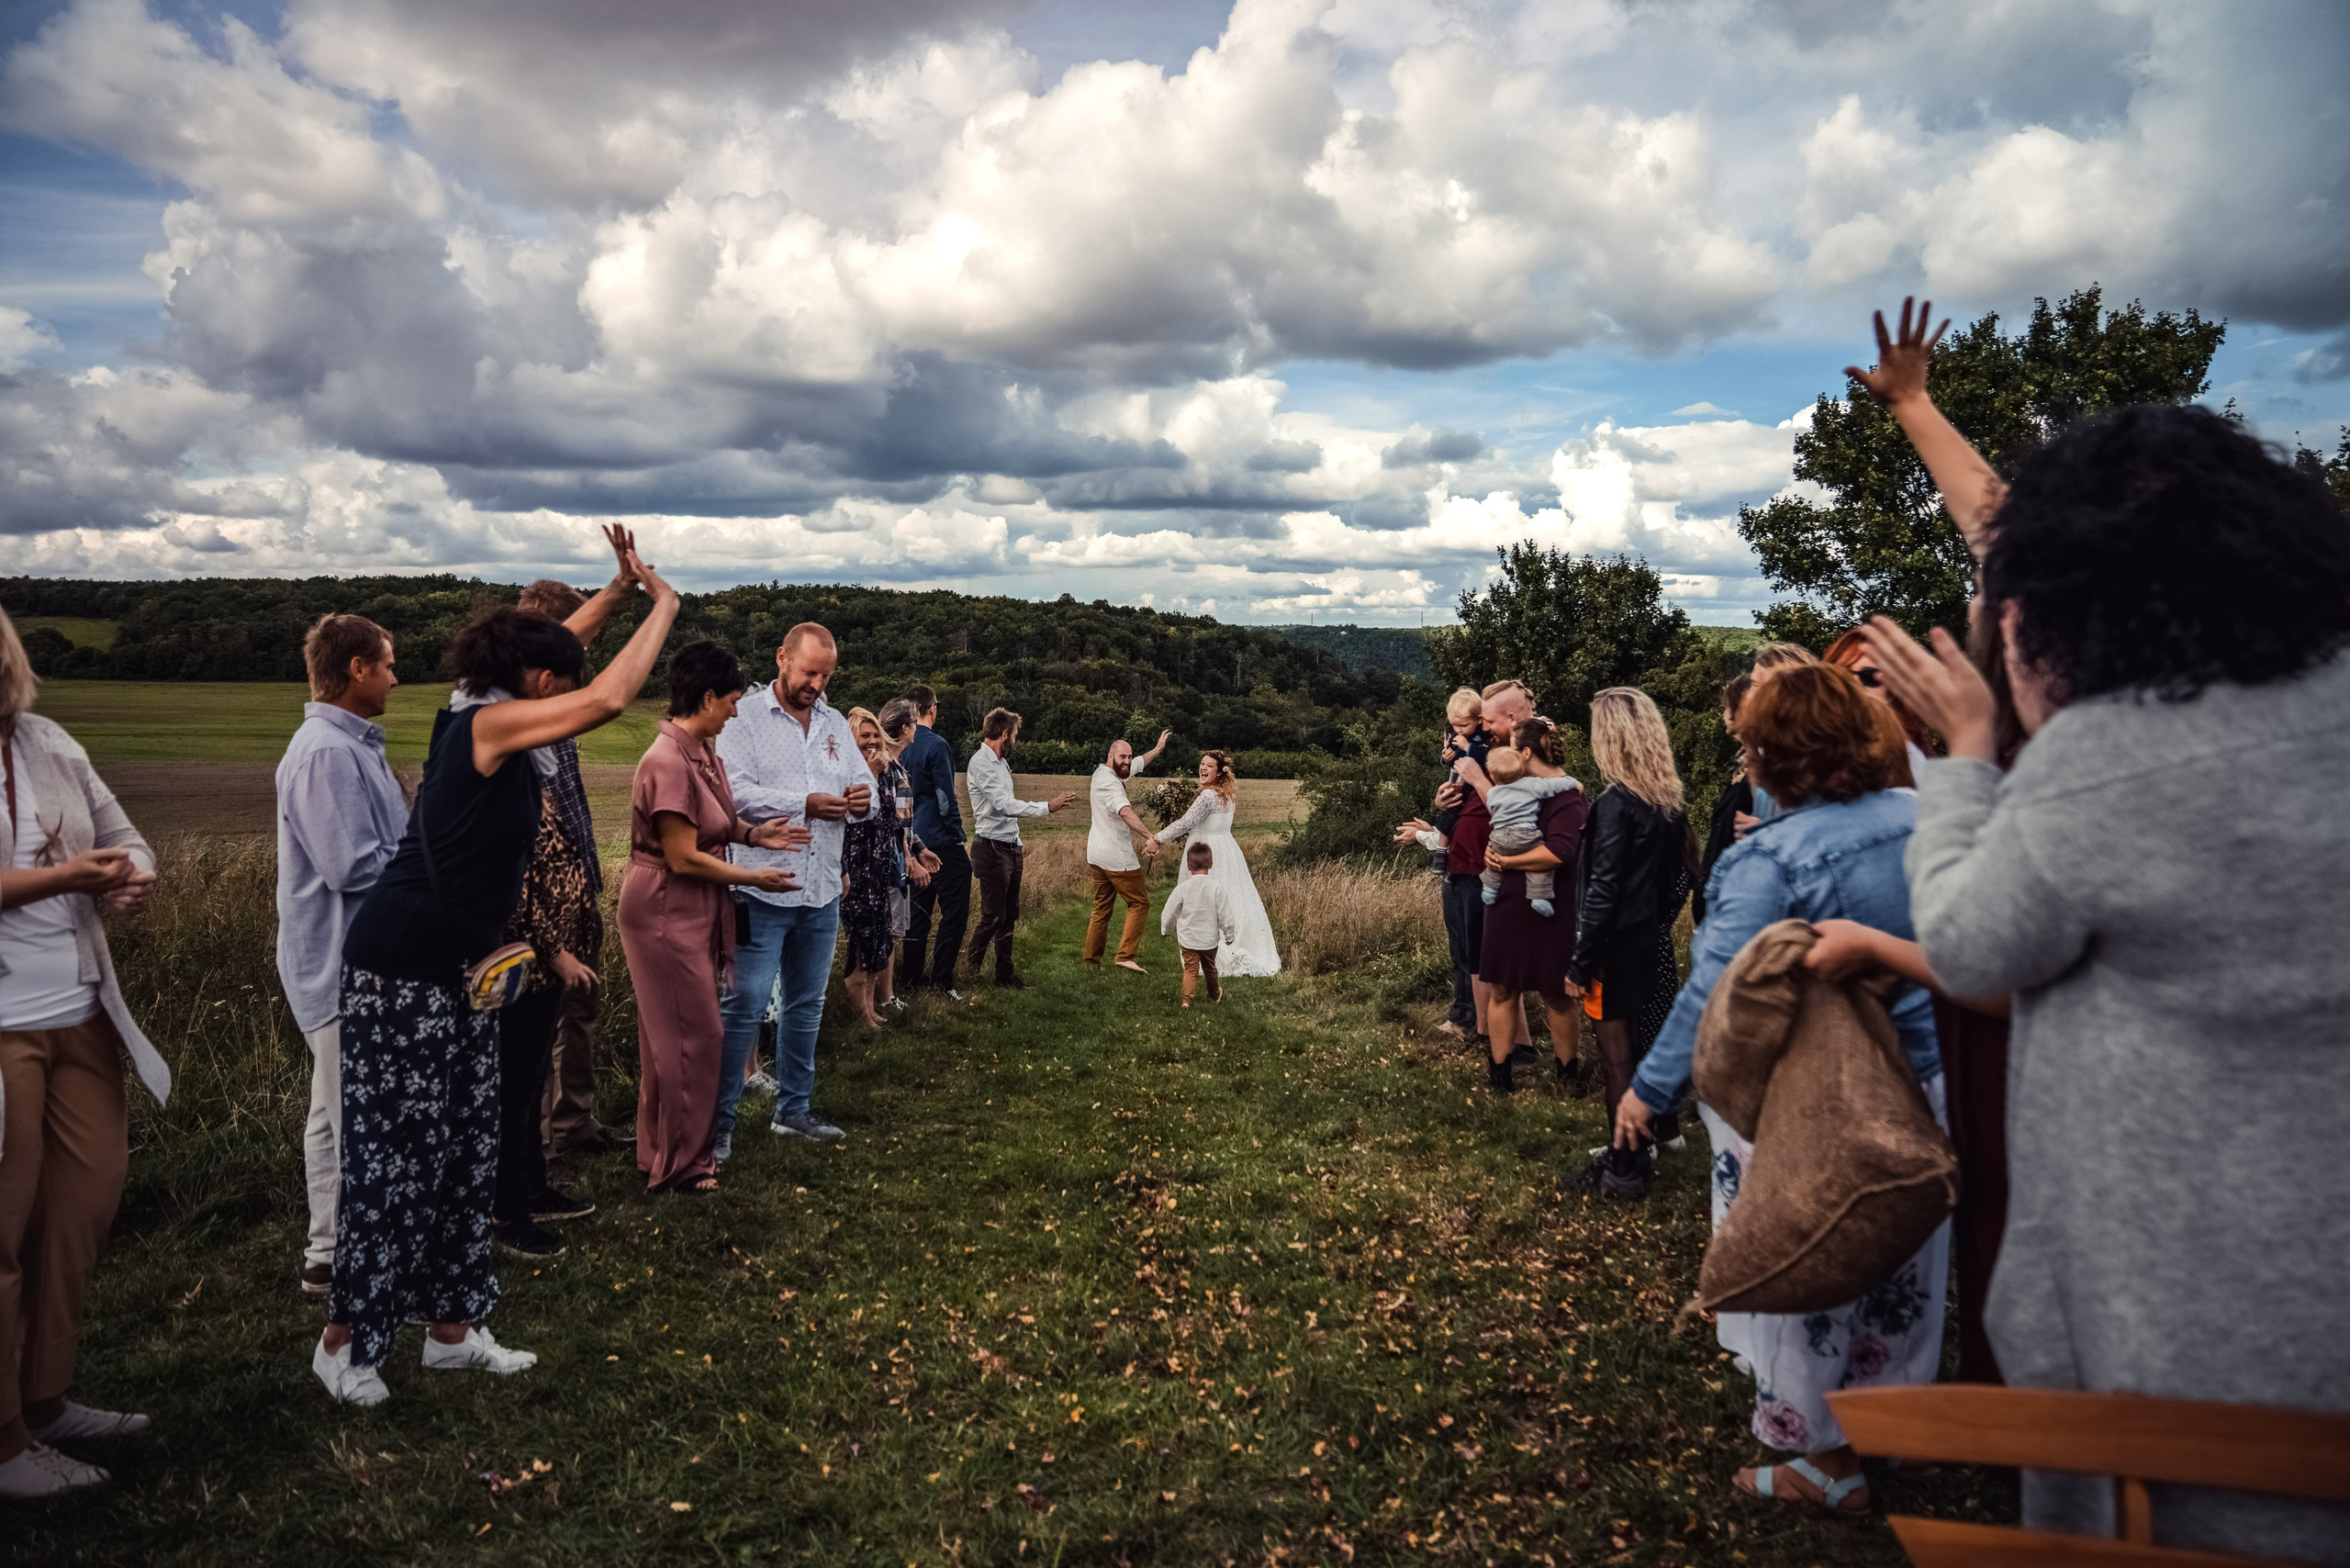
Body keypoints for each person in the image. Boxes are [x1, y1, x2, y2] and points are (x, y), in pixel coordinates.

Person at [1853, 298, 2350, 1557]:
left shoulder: (2111, 762)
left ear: (2047, 618)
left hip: (2194, 1309)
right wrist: (1916, 408)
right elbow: (2032, 543)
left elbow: (1969, 946)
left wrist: (1963, 758)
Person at [315, 553, 679, 1408]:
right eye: (552, 677)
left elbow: (559, 655)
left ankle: (451, 1330)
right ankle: (344, 1342)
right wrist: (666, 604)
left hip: (464, 971)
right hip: (401, 964)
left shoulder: (483, 702)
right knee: (396, 1159)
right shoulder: (484, 725)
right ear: (535, 681)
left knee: (465, 1147)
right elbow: (605, 698)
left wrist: (617, 594)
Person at [1612, 662, 1942, 1519]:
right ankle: (1894, 1429)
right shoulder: (1931, 816)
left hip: (1809, 1097)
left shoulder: (1775, 860)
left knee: (1799, 1262)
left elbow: (1712, 990)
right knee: (1899, 1256)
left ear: (1770, 756)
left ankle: (1822, 1461)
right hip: (1930, 1085)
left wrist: (1648, 1091)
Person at [0, 606, 163, 1497]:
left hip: (79, 1008)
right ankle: (4, 1438)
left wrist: (130, 876)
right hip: (2, 1025)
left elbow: (122, 831)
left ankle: (47, 1395)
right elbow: (67, 866)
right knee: (4, 1223)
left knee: (83, 1201)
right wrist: (68, 876)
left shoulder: (48, 741)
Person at [480, 554, 647, 1259]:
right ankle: (519, 1182)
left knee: (566, 1020)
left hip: (573, 887)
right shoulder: (508, 718)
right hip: (532, 913)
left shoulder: (543, 707)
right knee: (522, 1054)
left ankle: (565, 1135)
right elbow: (513, 852)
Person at [621, 641, 807, 1190]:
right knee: (693, 1037)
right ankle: (684, 1163)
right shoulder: (666, 761)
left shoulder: (702, 753)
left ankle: (661, 1150)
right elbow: (681, 855)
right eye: (729, 701)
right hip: (663, 906)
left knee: (671, 1039)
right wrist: (754, 877)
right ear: (705, 698)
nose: (734, 711)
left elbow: (718, 827)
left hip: (692, 905)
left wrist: (755, 835)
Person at [274, 613, 408, 1302]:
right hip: (338, 963)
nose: (394, 675)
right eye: (386, 663)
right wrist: (422, 873)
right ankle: (358, 1261)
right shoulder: (326, 752)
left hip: (355, 961)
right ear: (355, 669)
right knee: (355, 1116)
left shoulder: (351, 745)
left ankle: (326, 1256)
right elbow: (351, 866)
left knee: (331, 1116)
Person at [711, 623, 873, 1148]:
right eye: (809, 673)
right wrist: (803, 802)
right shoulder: (746, 717)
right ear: (782, 657)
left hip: (822, 886)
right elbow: (732, 794)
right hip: (763, 886)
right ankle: (718, 1126)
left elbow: (863, 779)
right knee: (745, 1002)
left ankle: (794, 1110)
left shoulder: (831, 721)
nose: (817, 685)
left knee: (806, 1003)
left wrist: (861, 798)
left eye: (825, 676)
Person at [515, 568, 646, 1181]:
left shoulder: (554, 700)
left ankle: (576, 1122)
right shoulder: (518, 709)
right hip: (538, 899)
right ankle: (538, 1151)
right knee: (540, 1024)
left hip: (576, 885)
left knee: (581, 1006)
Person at [1566, 688, 1694, 1198]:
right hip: (1648, 940)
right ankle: (1638, 1144)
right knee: (1641, 1047)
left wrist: (1580, 961)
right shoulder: (1669, 802)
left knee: (1617, 1055)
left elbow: (1603, 889)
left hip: (1615, 946)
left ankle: (1624, 1166)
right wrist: (1657, 922)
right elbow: (1684, 878)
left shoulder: (1615, 804)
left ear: (1611, 737)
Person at [1393, 678, 1537, 1057]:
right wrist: (1443, 803)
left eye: (1487, 722)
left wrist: (1473, 777)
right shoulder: (1483, 751)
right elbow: (1464, 799)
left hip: (1484, 865)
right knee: (1466, 951)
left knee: (1483, 956)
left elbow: (1512, 809)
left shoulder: (1517, 755)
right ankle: (1474, 1022)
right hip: (1460, 861)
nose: (1484, 729)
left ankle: (1498, 1036)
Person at [1461, 717, 1585, 1095]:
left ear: (1527, 753)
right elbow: (1500, 828)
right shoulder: (1509, 787)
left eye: (1514, 747)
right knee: (1501, 987)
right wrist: (1492, 849)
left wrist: (1505, 862)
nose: (1509, 754)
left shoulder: (1568, 798)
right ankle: (1500, 1075)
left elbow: (1561, 851)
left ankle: (1568, 1075)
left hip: (1550, 902)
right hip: (1505, 903)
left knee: (1556, 992)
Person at [964, 708, 1075, 989]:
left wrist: (1018, 844)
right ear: (1004, 734)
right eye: (1014, 735)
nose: (1015, 740)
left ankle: (1004, 976)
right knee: (993, 917)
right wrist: (1046, 807)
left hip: (1010, 848)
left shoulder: (1001, 763)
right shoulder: (981, 763)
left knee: (1009, 916)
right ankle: (970, 971)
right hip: (990, 850)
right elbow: (1003, 805)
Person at [1146, 749, 1281, 977]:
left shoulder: (1208, 796)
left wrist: (1157, 839)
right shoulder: (1227, 796)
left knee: (1202, 900)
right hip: (1226, 851)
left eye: (1209, 766)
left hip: (1205, 852)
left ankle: (1207, 951)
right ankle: (1229, 941)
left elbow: (1186, 823)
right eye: (1202, 764)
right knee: (1230, 897)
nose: (1203, 768)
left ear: (1220, 772)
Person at [841, 707, 927, 1029]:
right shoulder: (849, 773)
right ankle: (859, 1013)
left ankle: (869, 1006)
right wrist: (868, 773)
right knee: (861, 939)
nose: (873, 740)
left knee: (879, 938)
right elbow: (851, 816)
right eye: (865, 735)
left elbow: (893, 823)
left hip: (879, 868)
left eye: (876, 734)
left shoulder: (884, 770)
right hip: (856, 867)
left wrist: (911, 850)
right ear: (852, 739)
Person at [894, 684, 969, 1000]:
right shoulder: (936, 745)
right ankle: (942, 981)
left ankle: (911, 979)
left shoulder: (899, 744)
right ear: (932, 708)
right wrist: (956, 836)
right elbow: (944, 797)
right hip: (939, 840)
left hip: (910, 841)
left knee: (917, 915)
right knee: (955, 913)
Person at [1082, 731, 1170, 974]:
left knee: (1102, 907)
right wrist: (1150, 836)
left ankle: (1091, 963)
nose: (1128, 761)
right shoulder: (1110, 783)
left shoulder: (1104, 772)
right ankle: (1125, 955)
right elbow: (1124, 811)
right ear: (1110, 755)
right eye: (1123, 756)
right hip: (1116, 857)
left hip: (1096, 856)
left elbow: (1138, 764)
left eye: (1129, 757)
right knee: (1139, 903)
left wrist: (1157, 748)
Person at [875, 700, 940, 1015]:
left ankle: (887, 995)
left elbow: (904, 823)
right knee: (885, 930)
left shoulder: (898, 766)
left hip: (897, 859)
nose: (917, 728)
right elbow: (891, 825)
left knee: (890, 930)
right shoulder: (886, 768)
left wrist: (920, 848)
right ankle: (882, 998)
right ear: (905, 728)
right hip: (888, 863)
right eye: (914, 723)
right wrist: (910, 861)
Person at [1476, 745, 1579, 915]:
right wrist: (1573, 782)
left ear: (1492, 776)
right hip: (1525, 834)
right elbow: (1553, 785)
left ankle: (1489, 890)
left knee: (1494, 862)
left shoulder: (1493, 793)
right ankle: (1539, 897)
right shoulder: (1530, 785)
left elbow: (1492, 809)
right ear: (1522, 769)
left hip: (1499, 836)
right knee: (1537, 863)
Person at [1822, 627, 1931, 777]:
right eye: (1841, 675)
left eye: (1868, 676)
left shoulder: (1914, 762)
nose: (1852, 688)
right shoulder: (1807, 756)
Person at [1693, 672, 1751, 928]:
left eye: (1728, 706)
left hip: (1733, 915)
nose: (1723, 712)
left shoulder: (1761, 773)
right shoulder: (1742, 766)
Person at [1742, 642, 1819, 831]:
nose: (1750, 695)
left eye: (1764, 687)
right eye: (1752, 684)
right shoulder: (1763, 751)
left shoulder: (1817, 759)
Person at [1159, 842, 1238, 1006]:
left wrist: (1167, 929)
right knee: (1210, 968)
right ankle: (1214, 995)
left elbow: (1170, 911)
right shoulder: (1217, 888)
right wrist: (1229, 934)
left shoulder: (1183, 888)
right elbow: (1225, 914)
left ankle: (1186, 1000)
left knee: (1190, 969)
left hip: (1188, 939)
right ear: (1211, 864)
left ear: (1188, 866)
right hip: (1209, 940)